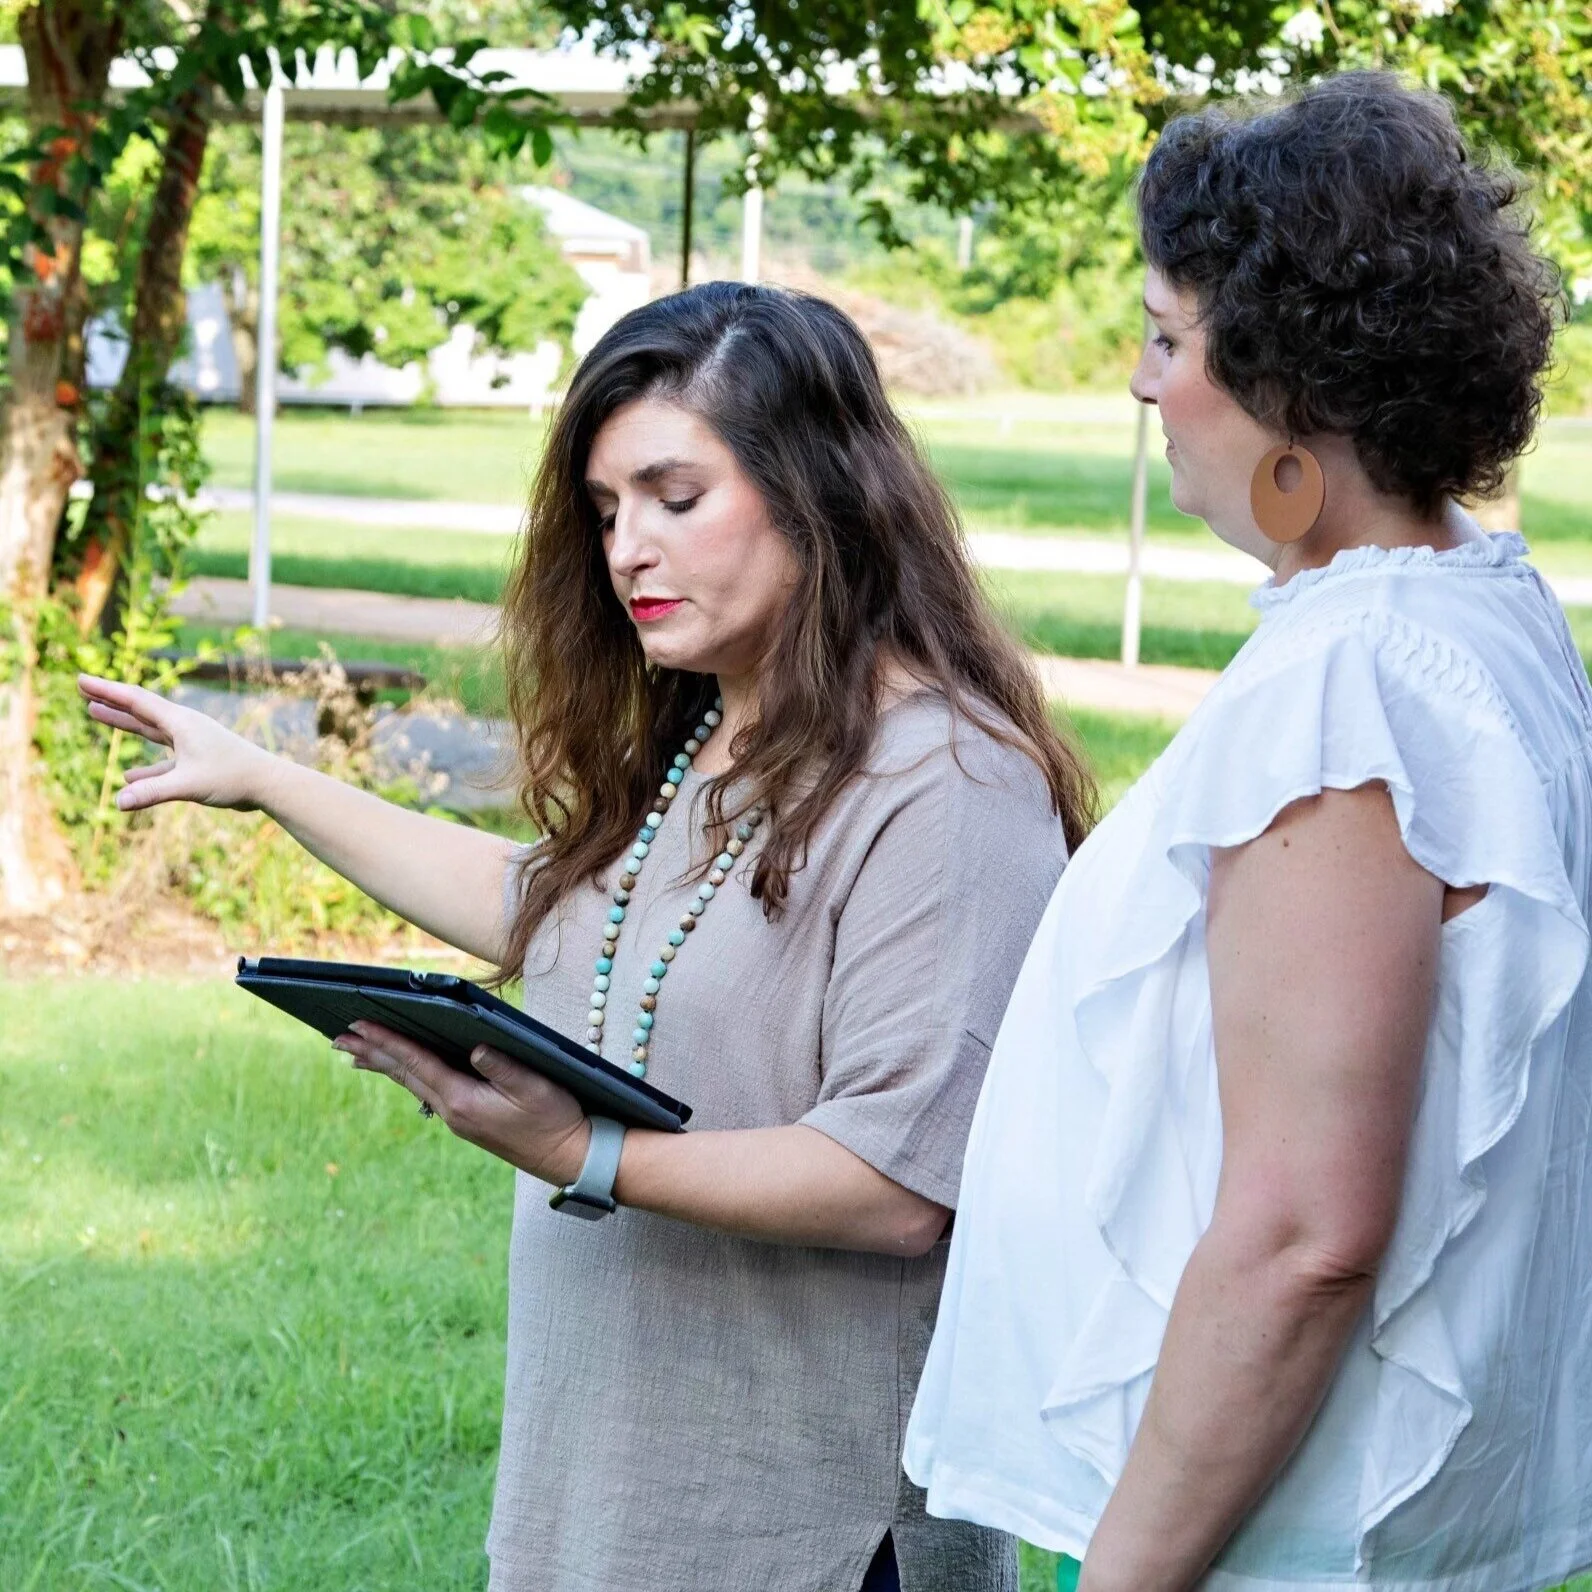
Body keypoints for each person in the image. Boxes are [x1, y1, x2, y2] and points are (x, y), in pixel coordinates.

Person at [80, 281, 1095, 1592]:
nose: (627, 550)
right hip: (609, 1515)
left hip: (817, 1541)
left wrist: (585, 1152)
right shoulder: (710, 734)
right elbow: (559, 910)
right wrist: (266, 778)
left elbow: (901, 1184)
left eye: (676, 497)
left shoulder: (945, 778)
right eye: (608, 511)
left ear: (819, 489)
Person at [905, 72, 1592, 1592]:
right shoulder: (1484, 611)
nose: (1146, 386)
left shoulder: (1353, 689)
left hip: (1276, 1541)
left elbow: (1303, 1235)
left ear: (1293, 389)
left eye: (1169, 338)